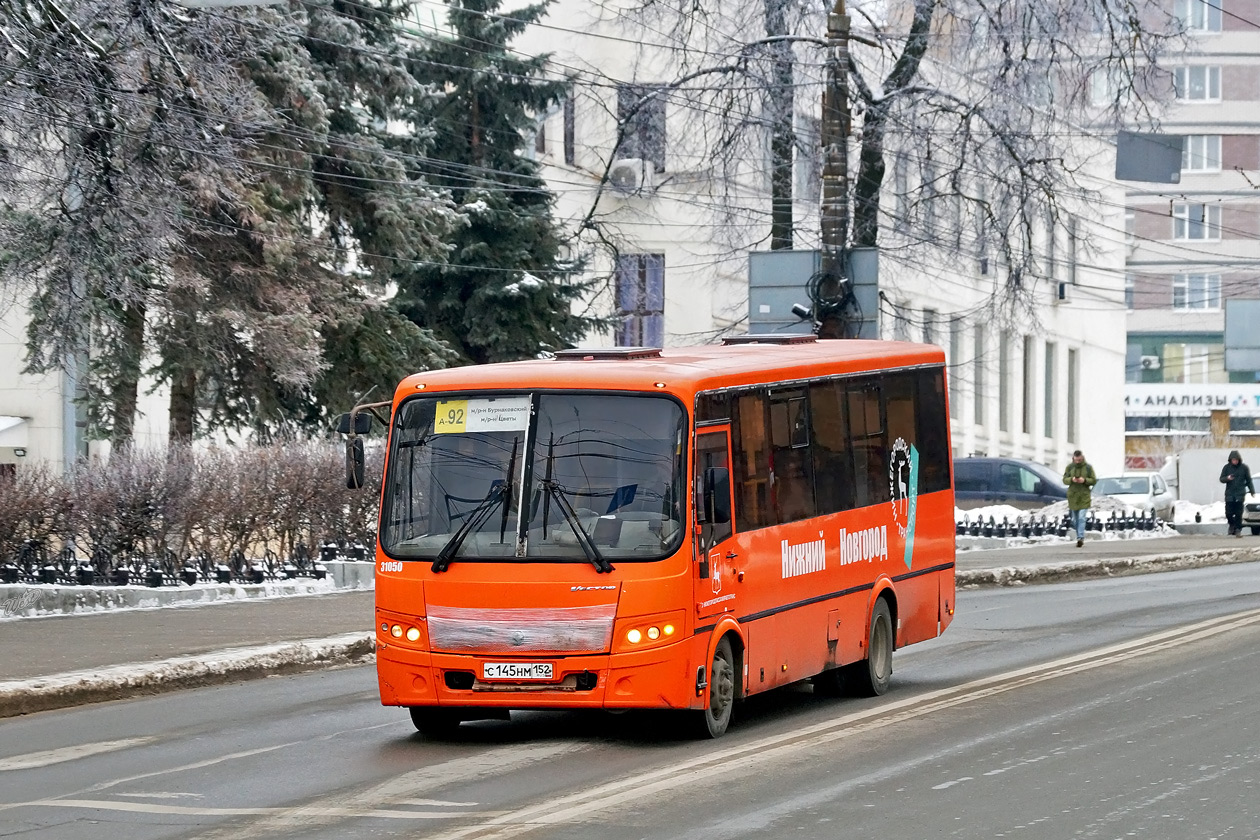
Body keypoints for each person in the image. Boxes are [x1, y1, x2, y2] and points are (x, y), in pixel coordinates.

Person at [1062, 450, 1096, 548]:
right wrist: (1071, 479)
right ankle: (1078, 536)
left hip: (1084, 495)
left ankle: (1080, 538)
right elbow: (1064, 480)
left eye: (1080, 460)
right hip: (1073, 496)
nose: (1078, 462)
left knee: (1081, 517)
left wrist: (1084, 480)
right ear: (1073, 458)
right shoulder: (1069, 467)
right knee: (1075, 520)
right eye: (1076, 460)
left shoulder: (1088, 468)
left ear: (1082, 458)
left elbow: (1093, 480)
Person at [1220, 450, 1254, 537]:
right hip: (1230, 494)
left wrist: (1252, 491)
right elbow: (1221, 479)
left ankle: (1238, 529)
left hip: (1240, 493)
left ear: (1239, 460)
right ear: (1230, 460)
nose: (1235, 461)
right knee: (1229, 513)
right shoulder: (1227, 468)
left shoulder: (1244, 468)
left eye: (1236, 460)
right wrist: (1227, 478)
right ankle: (1232, 525)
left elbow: (1249, 480)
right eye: (1233, 460)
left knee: (1239, 513)